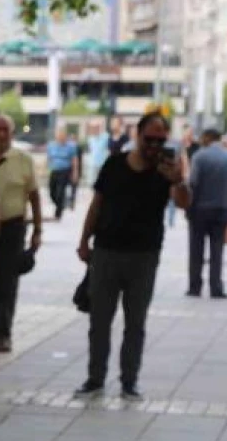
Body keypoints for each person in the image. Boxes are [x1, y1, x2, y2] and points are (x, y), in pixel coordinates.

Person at [76, 113, 191, 400]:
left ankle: (129, 380)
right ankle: (95, 377)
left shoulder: (166, 171)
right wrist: (83, 240)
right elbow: (97, 204)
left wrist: (178, 181)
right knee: (99, 320)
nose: (154, 145)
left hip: (144, 256)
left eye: (160, 140)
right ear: (138, 136)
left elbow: (184, 203)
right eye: (149, 139)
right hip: (106, 252)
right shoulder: (115, 164)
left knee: (135, 322)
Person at [0, 116, 43, 353]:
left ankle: (4, 333)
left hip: (13, 227)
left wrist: (37, 231)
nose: (1, 134)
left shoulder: (23, 160)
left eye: (6, 130)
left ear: (12, 133)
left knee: (7, 281)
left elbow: (34, 196)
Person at [187, 128, 227, 299]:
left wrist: (189, 208)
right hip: (222, 211)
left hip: (200, 211)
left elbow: (193, 184)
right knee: (217, 250)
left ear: (207, 139)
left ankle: (195, 286)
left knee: (196, 250)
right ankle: (216, 286)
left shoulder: (199, 157)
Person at [46, 128, 79, 221]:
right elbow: (48, 158)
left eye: (62, 136)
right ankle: (61, 204)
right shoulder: (51, 145)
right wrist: (47, 168)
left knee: (60, 192)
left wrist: (75, 172)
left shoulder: (71, 146)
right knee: (52, 192)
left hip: (65, 171)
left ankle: (58, 213)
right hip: (54, 170)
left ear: (65, 136)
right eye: (59, 135)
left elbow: (74, 160)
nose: (61, 137)